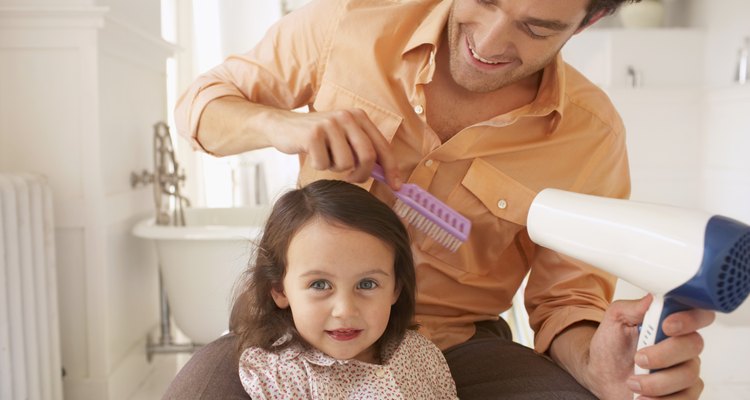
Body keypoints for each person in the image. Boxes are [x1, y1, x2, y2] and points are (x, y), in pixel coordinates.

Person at [167, 0, 715, 398]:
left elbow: (565, 301)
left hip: (457, 345)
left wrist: (597, 364)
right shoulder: (347, 24)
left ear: (589, 20)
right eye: (485, 0)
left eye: (535, 27)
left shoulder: (589, 135)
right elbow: (200, 109)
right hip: (300, 332)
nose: (491, 41)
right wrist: (277, 124)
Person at [231, 179, 458, 399]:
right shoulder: (278, 374)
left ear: (395, 289)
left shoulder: (420, 354)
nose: (345, 310)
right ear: (280, 290)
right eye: (319, 285)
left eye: (367, 284)